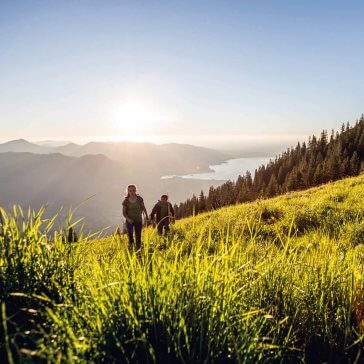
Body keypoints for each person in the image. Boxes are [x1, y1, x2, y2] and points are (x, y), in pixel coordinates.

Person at [122, 184, 148, 250]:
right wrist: (128, 219)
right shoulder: (126, 201)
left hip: (138, 220)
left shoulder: (139, 199)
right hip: (129, 221)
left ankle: (138, 249)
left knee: (138, 235)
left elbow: (143, 207)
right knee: (130, 234)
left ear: (136, 190)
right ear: (128, 191)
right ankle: (131, 246)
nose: (132, 192)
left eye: (133, 190)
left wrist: (146, 216)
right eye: (130, 191)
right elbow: (124, 213)